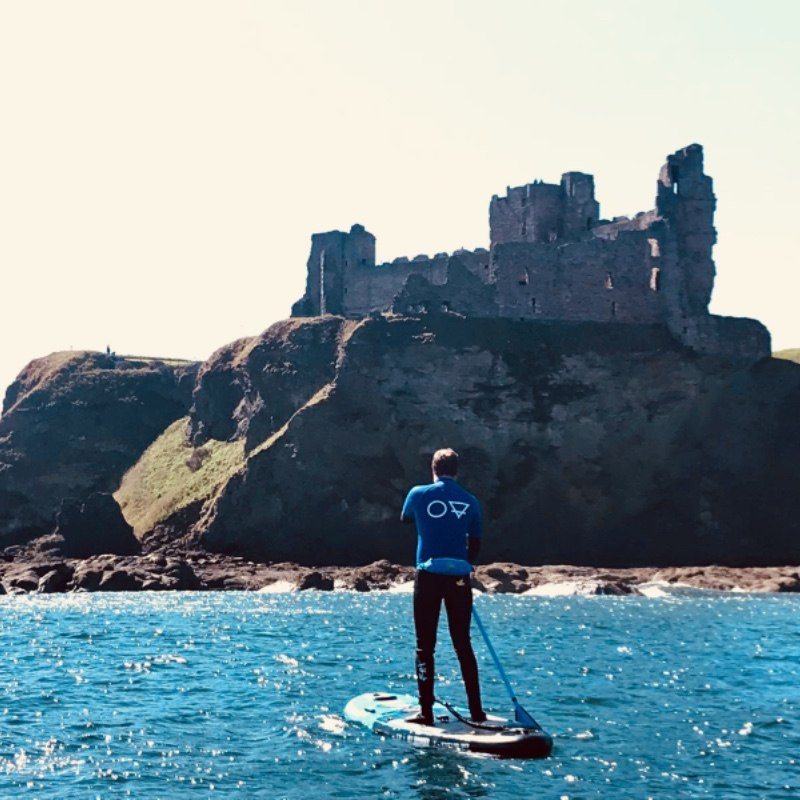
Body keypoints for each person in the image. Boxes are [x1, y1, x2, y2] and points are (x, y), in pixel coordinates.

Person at [400, 448, 486, 725]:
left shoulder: (418, 493)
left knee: (425, 646)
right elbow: (475, 543)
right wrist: (464, 566)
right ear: (457, 471)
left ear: (433, 469)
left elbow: (406, 518)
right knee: (463, 644)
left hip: (428, 575)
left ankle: (426, 712)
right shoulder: (470, 501)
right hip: (459, 578)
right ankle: (477, 712)